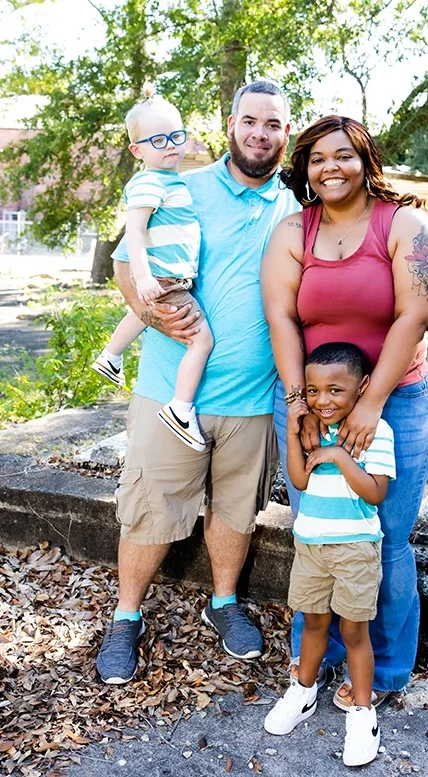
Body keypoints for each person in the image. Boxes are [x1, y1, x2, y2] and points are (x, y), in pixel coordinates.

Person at [96, 80, 297, 684]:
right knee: (151, 509)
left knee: (236, 511)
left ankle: (225, 602)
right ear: (231, 125)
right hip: (170, 391)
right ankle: (126, 617)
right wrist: (153, 309)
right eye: (250, 121)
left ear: (285, 135)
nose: (261, 133)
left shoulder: (292, 211)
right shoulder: (181, 184)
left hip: (251, 399)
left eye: (274, 125)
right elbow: (126, 265)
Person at [261, 115, 428, 708]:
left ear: (366, 161)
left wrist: (369, 405)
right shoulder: (294, 230)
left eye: (343, 155)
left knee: (387, 536)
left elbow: (420, 314)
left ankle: (387, 671)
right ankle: (312, 665)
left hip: (393, 397)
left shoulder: (405, 225)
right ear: (304, 170)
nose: (330, 167)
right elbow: (282, 318)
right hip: (310, 396)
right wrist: (299, 405)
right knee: (318, 530)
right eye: (317, 158)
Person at [264, 342, 395, 767]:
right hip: (310, 547)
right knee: (314, 624)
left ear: (363, 388)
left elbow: (375, 493)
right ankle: (303, 691)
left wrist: (339, 456)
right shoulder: (310, 429)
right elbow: (299, 481)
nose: (324, 400)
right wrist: (291, 424)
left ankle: (362, 713)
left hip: (355, 549)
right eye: (315, 390)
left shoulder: (374, 432)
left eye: (336, 390)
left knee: (355, 632)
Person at [91, 87, 213, 452]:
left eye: (177, 136)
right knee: (202, 340)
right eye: (158, 140)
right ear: (137, 150)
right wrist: (142, 276)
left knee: (141, 314)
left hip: (167, 276)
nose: (171, 145)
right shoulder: (148, 181)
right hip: (163, 276)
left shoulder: (170, 180)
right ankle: (180, 408)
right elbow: (135, 230)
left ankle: (111, 356)